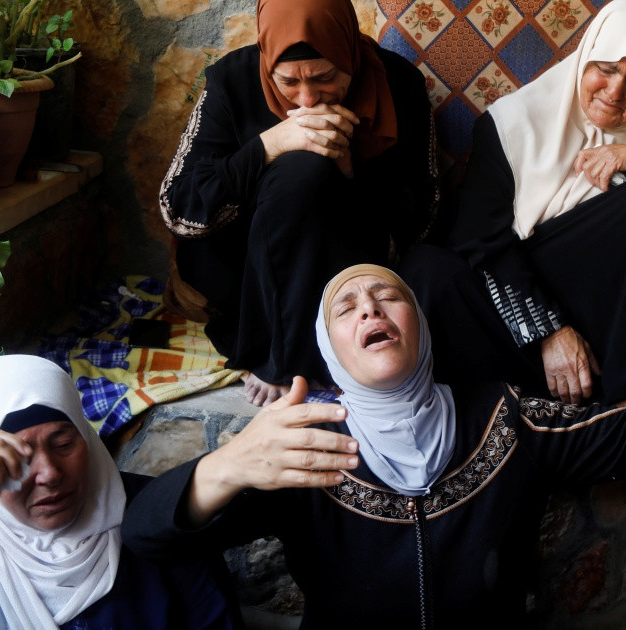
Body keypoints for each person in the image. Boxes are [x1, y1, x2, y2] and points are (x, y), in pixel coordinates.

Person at [121, 263, 626, 627]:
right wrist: (226, 467)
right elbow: (145, 533)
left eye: (390, 296)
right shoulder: (299, 444)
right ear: (331, 350)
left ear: (420, 326)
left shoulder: (503, 422)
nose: (371, 306)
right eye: (348, 305)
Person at [418, 0, 626, 405]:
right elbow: (478, 240)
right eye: (606, 70)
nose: (614, 92)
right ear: (585, 58)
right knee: (426, 269)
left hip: (602, 343)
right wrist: (549, 331)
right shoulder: (512, 125)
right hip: (514, 320)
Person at [159, 0, 438, 407]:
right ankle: (269, 350)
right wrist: (267, 146)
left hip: (352, 256)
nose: (306, 100)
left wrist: (348, 170)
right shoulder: (233, 80)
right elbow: (178, 209)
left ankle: (306, 349)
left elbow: (426, 216)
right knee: (298, 171)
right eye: (288, 82)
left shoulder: (398, 83)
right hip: (244, 274)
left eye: (325, 78)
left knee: (311, 174)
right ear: (267, 63)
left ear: (348, 56)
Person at [0, 355, 240, 629]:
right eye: (16, 457)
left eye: (63, 443)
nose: (50, 474)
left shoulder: (158, 519)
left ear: (86, 436)